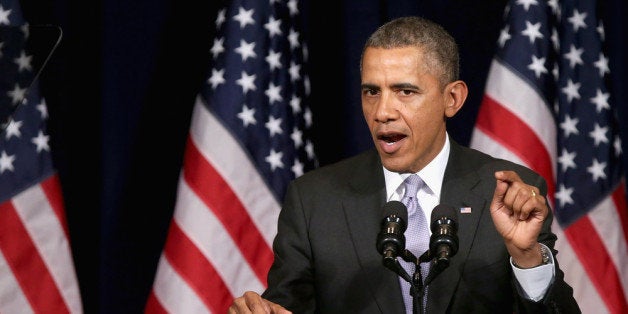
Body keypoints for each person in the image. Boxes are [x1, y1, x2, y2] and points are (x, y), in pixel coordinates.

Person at [228, 16, 580, 313]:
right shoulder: (314, 200)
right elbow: (286, 307)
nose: (382, 112)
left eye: (405, 92)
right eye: (371, 91)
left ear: (452, 98)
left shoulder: (506, 193)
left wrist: (527, 257)